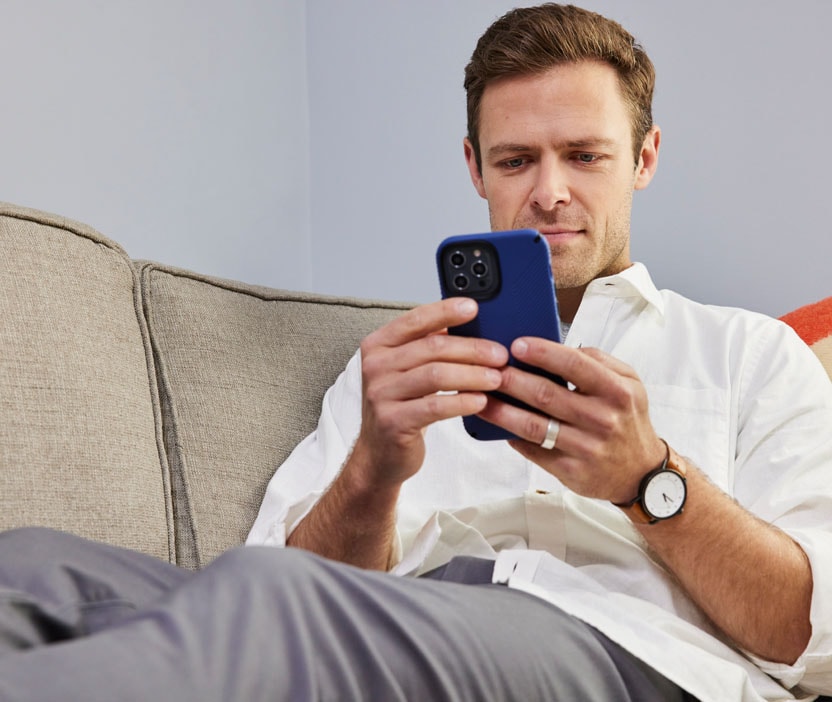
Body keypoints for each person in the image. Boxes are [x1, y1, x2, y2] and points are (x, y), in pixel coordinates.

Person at [1, 4, 830, 702]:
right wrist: (373, 466)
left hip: (622, 654)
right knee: (32, 566)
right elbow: (274, 579)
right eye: (516, 159)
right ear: (475, 168)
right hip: (388, 628)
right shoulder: (398, 368)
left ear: (644, 158)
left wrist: (649, 478)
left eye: (584, 155)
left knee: (273, 599)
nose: (549, 191)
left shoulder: (751, 354)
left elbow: (809, 634)